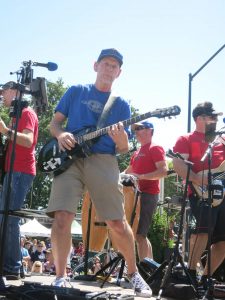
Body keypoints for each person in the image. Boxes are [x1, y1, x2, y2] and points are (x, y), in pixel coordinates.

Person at [46, 48, 152, 297]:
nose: (108, 69)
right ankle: (61, 277)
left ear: (119, 72)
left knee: (116, 221)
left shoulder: (121, 105)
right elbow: (54, 123)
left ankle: (133, 274)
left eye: (114, 66)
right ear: (95, 66)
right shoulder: (76, 91)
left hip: (104, 159)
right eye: (105, 64)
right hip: (69, 159)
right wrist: (61, 134)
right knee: (62, 216)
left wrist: (119, 138)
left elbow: (124, 148)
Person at [172, 101, 225, 287]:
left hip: (222, 194)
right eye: (211, 117)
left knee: (223, 242)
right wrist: (196, 178)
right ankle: (191, 273)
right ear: (199, 119)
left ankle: (205, 279)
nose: (215, 120)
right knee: (202, 234)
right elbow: (178, 165)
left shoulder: (222, 141)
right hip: (199, 194)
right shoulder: (185, 139)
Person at [0, 82, 38, 280]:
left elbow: (28, 140)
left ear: (14, 92)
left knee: (9, 220)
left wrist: (6, 130)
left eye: (3, 92)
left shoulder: (27, 113)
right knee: (5, 219)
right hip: (13, 171)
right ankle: (12, 266)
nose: (1, 97)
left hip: (20, 171)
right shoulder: (17, 115)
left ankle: (13, 266)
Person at [125, 121, 168, 261]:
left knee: (139, 235)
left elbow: (163, 171)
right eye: (135, 129)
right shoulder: (137, 152)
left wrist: (141, 177)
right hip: (135, 195)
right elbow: (127, 172)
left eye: (139, 128)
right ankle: (149, 267)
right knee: (140, 235)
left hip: (148, 195)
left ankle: (144, 270)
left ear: (150, 130)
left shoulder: (155, 148)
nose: (136, 131)